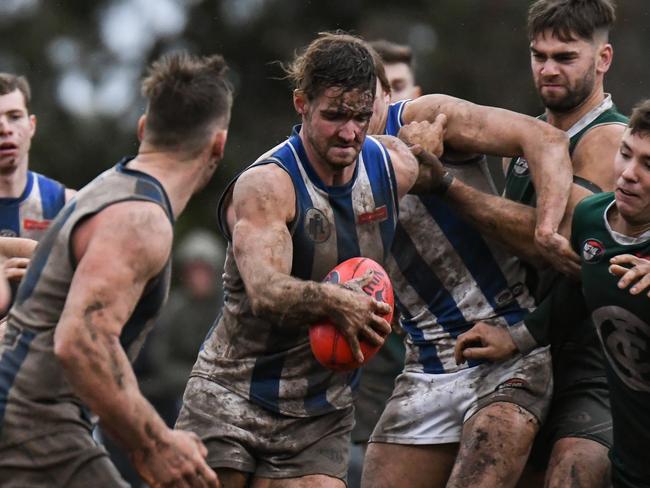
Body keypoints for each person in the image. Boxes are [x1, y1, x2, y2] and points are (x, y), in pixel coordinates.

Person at [175, 32, 442, 488]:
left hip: (321, 411)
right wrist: (340, 303)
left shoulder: (393, 166)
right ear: (302, 103)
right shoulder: (268, 185)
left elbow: (442, 171)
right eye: (334, 115)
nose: (350, 132)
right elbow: (266, 291)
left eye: (361, 116)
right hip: (233, 393)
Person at [0, 51, 232, 487]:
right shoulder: (140, 220)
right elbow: (83, 343)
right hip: (32, 429)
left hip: (40, 424)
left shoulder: (108, 186)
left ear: (144, 129)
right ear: (218, 145)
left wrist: (138, 438)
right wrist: (156, 443)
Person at [429, 1, 625, 486]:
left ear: (603, 59)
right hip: (521, 351)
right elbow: (510, 246)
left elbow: (565, 248)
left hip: (588, 356)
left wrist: (447, 187)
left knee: (572, 472)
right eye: (539, 56)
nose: (548, 69)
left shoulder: (609, 139)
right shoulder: (527, 141)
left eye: (565, 57)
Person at [359, 51, 573, 487]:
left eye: (366, 103)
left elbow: (546, 140)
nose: (354, 123)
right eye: (339, 111)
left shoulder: (425, 114)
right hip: (424, 364)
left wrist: (547, 230)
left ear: (387, 94)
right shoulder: (325, 164)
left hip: (505, 346)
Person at [462, 99, 650, 487]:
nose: (629, 174)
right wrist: (514, 339)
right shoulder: (592, 218)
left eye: (649, 165)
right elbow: (575, 291)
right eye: (626, 154)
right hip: (633, 454)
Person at [0, 73, 75, 285]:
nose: (5, 128)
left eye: (14, 116)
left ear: (31, 125)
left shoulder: (66, 204)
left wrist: (49, 278)